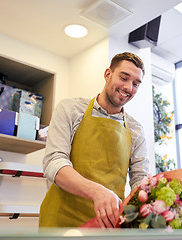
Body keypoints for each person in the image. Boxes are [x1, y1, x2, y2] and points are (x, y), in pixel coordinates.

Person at [39, 52, 149, 228]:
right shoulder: (71, 109)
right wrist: (97, 192)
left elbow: (139, 180)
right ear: (108, 74)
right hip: (61, 220)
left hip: (106, 225)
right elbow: (54, 162)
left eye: (136, 83)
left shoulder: (136, 130)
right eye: (124, 77)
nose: (129, 87)